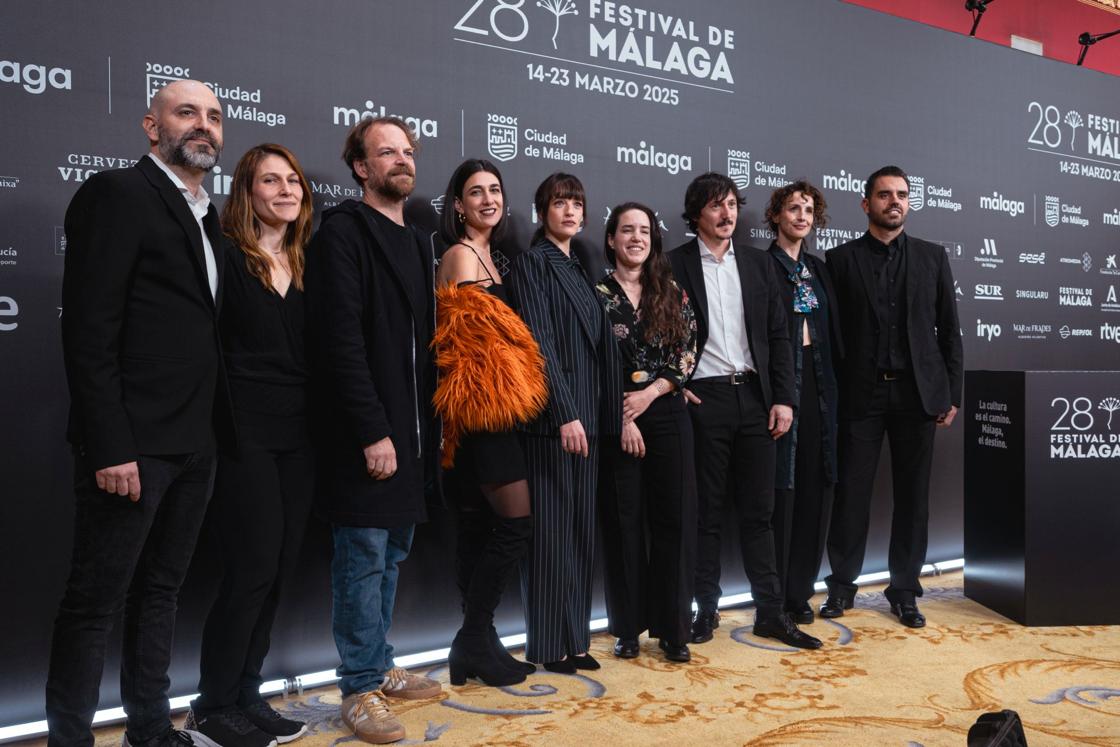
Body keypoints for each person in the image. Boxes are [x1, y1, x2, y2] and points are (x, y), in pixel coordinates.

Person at [47, 79, 232, 747]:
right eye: (187, 113)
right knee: (95, 603)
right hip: (130, 446)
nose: (203, 126)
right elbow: (89, 331)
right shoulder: (118, 195)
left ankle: (150, 730)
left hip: (194, 443)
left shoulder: (208, 215)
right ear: (151, 127)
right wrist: (109, 444)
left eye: (214, 116)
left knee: (161, 592)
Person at [304, 116, 441, 745]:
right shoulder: (343, 232)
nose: (402, 161)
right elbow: (340, 343)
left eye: (408, 152)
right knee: (361, 559)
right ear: (360, 167)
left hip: (412, 436)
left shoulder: (418, 240)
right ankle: (358, 687)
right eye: (387, 152)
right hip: (367, 433)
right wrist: (371, 429)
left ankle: (379, 665)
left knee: (392, 555)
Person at [186, 144, 316, 747]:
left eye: (293, 180)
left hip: (301, 437)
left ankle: (246, 693)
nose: (287, 189)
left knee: (279, 570)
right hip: (245, 435)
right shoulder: (226, 256)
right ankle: (211, 707)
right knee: (250, 570)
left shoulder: (305, 260)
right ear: (247, 190)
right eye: (272, 180)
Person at [668, 172, 821, 650]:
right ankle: (705, 612)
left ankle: (770, 614)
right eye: (716, 206)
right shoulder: (672, 264)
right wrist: (675, 385)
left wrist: (784, 398)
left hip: (755, 399)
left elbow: (779, 335)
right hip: (704, 399)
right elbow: (656, 330)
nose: (727, 213)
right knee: (706, 515)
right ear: (696, 215)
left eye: (732, 204)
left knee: (761, 512)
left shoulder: (758, 265)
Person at [821, 165, 963, 628]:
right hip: (860, 395)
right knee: (851, 495)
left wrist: (951, 393)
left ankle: (905, 590)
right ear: (866, 204)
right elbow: (831, 337)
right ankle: (842, 586)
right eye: (884, 195)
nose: (894, 202)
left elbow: (949, 333)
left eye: (901, 194)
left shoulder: (931, 257)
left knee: (913, 499)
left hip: (917, 395)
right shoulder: (839, 261)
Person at [431, 158, 547, 687]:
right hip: (479, 415)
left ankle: (476, 642)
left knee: (479, 529)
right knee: (515, 524)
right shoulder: (460, 256)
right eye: (475, 192)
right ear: (458, 205)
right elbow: (471, 352)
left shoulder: (494, 258)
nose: (487, 200)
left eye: (495, 190)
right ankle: (474, 636)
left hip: (496, 411)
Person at [507, 172, 622, 673]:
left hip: (590, 419)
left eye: (577, 202)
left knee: (577, 533)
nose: (570, 211)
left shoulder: (579, 266)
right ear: (542, 212)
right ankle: (550, 647)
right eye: (560, 203)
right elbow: (539, 343)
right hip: (556, 421)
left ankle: (576, 640)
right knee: (552, 538)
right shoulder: (534, 264)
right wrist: (565, 413)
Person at [594, 202, 699, 663]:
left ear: (653, 240)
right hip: (615, 416)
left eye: (644, 230)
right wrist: (623, 418)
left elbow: (688, 352)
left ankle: (675, 629)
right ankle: (628, 629)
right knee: (624, 523)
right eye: (627, 230)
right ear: (612, 239)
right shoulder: (594, 293)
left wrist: (651, 395)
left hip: (666, 411)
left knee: (675, 522)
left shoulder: (671, 291)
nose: (636, 237)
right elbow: (589, 362)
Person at [763, 182, 843, 625]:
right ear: (776, 215)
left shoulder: (818, 268)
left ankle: (800, 593)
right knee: (781, 492)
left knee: (816, 488)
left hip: (820, 384)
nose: (801, 216)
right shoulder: (761, 266)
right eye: (792, 208)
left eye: (808, 210)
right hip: (781, 385)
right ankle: (772, 596)